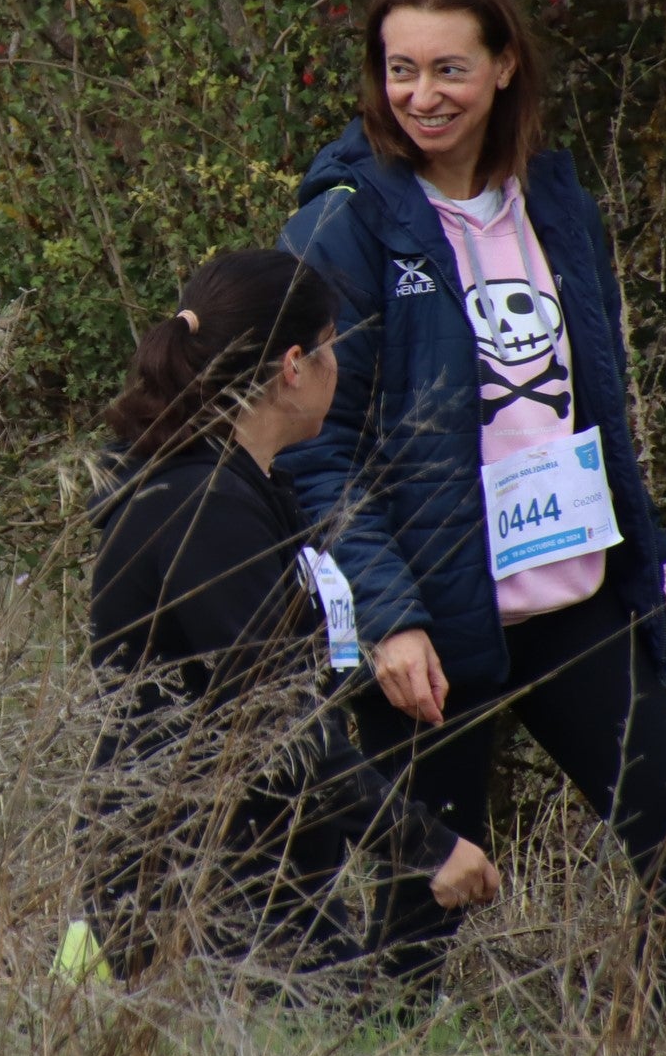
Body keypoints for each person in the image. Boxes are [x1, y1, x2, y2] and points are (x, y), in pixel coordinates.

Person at [277, 0, 666, 995]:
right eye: (400, 69)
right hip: (431, 624)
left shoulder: (556, 205)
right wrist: (391, 618)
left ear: (506, 64)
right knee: (418, 917)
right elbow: (314, 447)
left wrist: (647, 574)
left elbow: (597, 411)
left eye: (449, 69)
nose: (422, 95)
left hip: (571, 605)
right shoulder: (347, 223)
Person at [86, 249, 500, 982]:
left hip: (258, 875)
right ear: (293, 365)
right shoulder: (203, 507)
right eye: (333, 344)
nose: (339, 365)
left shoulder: (245, 487)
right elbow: (275, 725)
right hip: (196, 890)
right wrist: (427, 847)